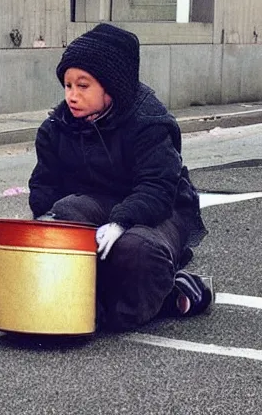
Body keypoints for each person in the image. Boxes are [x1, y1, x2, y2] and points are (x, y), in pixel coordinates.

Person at [28, 23, 212, 332]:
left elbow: (158, 188)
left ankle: (162, 294)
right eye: (68, 85)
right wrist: (47, 228)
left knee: (135, 249)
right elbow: (44, 186)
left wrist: (119, 222)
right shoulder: (56, 127)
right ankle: (93, 300)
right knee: (66, 216)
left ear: (111, 87)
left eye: (83, 86)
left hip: (159, 211)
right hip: (97, 203)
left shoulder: (149, 122)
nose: (71, 96)